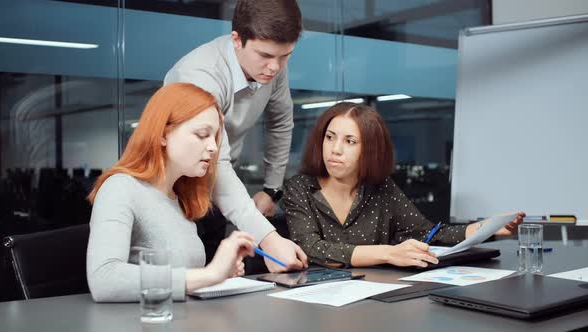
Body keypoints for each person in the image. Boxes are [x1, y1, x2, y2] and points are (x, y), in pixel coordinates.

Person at [281, 102, 525, 268]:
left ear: (370, 150)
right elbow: (312, 248)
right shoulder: (300, 188)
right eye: (330, 137)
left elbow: (429, 234)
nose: (334, 149)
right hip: (316, 302)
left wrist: (489, 228)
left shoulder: (381, 188)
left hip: (375, 299)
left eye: (350, 141)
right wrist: (389, 253)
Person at [164, 0, 307, 272]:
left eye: (285, 56)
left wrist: (271, 189)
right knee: (179, 280)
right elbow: (216, 161)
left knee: (216, 288)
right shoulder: (200, 75)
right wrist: (270, 239)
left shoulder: (273, 64)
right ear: (237, 40)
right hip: (173, 191)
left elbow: (280, 122)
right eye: (265, 55)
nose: (275, 67)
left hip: (218, 190)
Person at [86, 83, 256, 302]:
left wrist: (219, 275)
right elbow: (104, 280)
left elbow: (183, 278)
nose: (213, 147)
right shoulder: (120, 188)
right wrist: (208, 275)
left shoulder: (179, 198)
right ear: (163, 134)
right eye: (202, 134)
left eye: (215, 137)